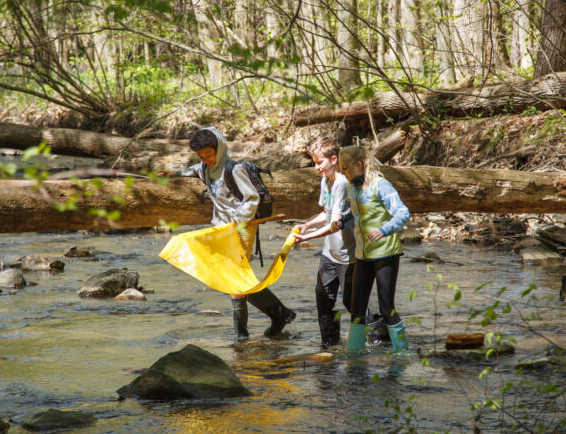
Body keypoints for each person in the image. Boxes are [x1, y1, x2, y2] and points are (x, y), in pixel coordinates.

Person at [170, 127, 295, 341]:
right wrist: (174, 173)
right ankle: (279, 312)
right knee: (234, 280)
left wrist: (238, 220)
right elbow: (191, 170)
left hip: (241, 229)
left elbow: (252, 198)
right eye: (201, 156)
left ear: (219, 149)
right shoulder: (204, 169)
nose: (206, 159)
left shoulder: (234, 169)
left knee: (235, 284)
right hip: (220, 230)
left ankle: (242, 338)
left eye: (209, 155)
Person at [332, 145, 410, 351]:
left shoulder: (380, 185)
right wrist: (343, 221)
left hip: (386, 253)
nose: (343, 173)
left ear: (360, 164)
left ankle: (402, 353)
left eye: (345, 168)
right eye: (340, 168)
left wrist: (384, 230)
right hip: (362, 256)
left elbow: (403, 213)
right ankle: (353, 355)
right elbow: (356, 215)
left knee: (386, 307)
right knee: (356, 309)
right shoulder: (351, 188)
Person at [294, 137, 354, 348]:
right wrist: (307, 225)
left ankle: (378, 334)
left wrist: (306, 238)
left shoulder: (342, 184)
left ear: (334, 159)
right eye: (314, 162)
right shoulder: (325, 181)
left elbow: (334, 224)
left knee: (351, 303)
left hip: (347, 255)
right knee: (323, 300)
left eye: (320, 162)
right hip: (329, 253)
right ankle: (329, 345)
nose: (316, 167)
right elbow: (326, 214)